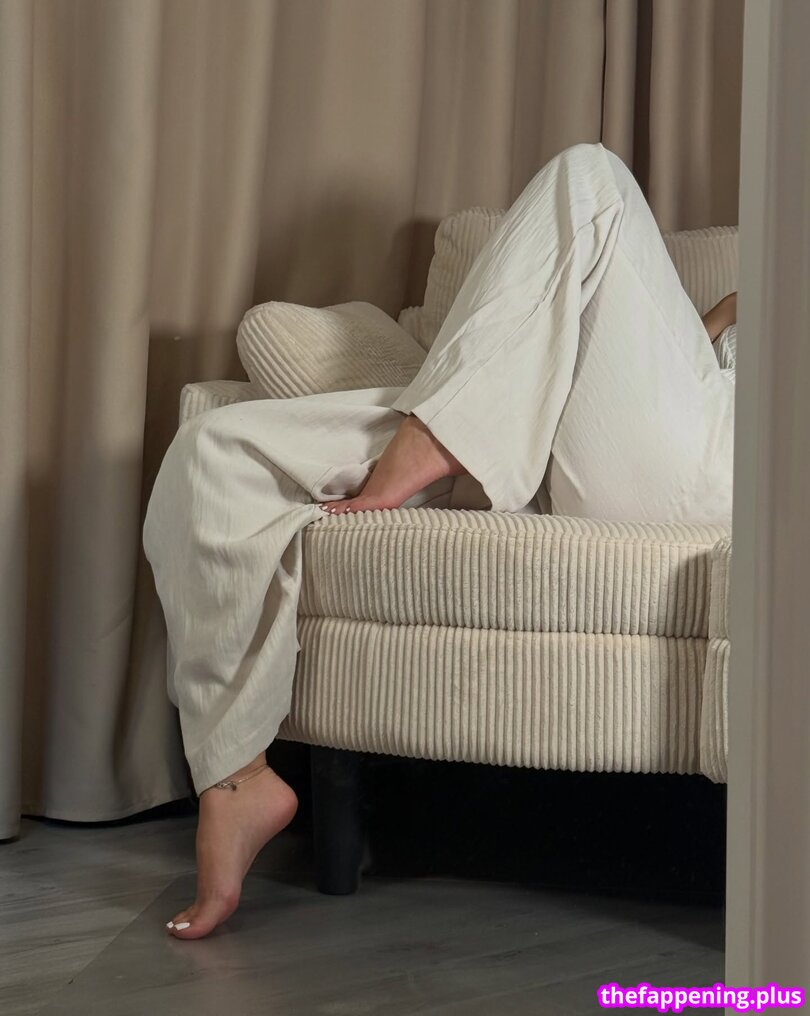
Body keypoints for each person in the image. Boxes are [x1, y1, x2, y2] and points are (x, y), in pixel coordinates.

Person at [143, 142, 736, 939]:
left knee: (590, 178)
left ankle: (434, 436)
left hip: (718, 463)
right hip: (604, 431)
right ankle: (236, 775)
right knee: (216, 455)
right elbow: (676, 349)